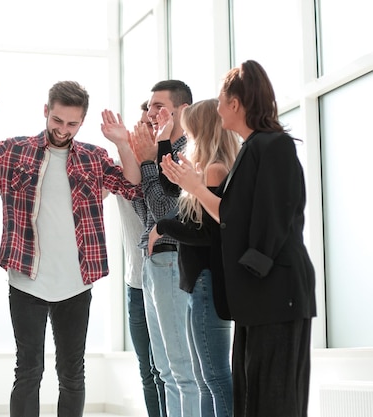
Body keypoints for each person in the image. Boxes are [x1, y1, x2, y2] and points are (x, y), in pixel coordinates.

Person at [0, 80, 142, 417]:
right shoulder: (16, 150)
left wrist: (122, 144)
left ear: (82, 122)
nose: (63, 129)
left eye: (72, 124)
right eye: (57, 121)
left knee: (72, 374)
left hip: (76, 281)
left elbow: (131, 185)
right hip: (26, 278)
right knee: (28, 371)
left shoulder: (93, 157)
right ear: (46, 111)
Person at [160, 60, 316, 417]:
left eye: (219, 100)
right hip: (257, 295)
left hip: (276, 294)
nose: (215, 108)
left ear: (235, 104)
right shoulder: (252, 149)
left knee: (275, 398)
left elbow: (272, 220)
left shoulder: (274, 146)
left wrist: (197, 187)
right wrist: (195, 187)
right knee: (252, 396)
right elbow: (231, 218)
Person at [149, 99, 239, 417]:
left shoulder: (215, 169)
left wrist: (162, 227)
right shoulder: (207, 169)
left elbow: (205, 233)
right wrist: (163, 139)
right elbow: (169, 187)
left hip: (207, 281)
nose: (187, 137)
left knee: (213, 378)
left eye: (189, 131)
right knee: (205, 379)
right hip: (199, 283)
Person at [123, 80, 198, 417]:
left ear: (182, 110)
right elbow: (146, 214)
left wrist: (150, 163)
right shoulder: (157, 150)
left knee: (182, 369)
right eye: (150, 106)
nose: (151, 113)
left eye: (158, 106)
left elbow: (167, 214)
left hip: (172, 261)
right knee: (164, 369)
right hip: (152, 262)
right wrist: (144, 160)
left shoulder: (185, 152)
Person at [114, 101, 166, 417]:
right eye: (140, 127)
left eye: (150, 127)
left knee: (166, 370)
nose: (143, 133)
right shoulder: (124, 166)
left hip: (165, 279)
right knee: (147, 370)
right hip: (135, 284)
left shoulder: (165, 169)